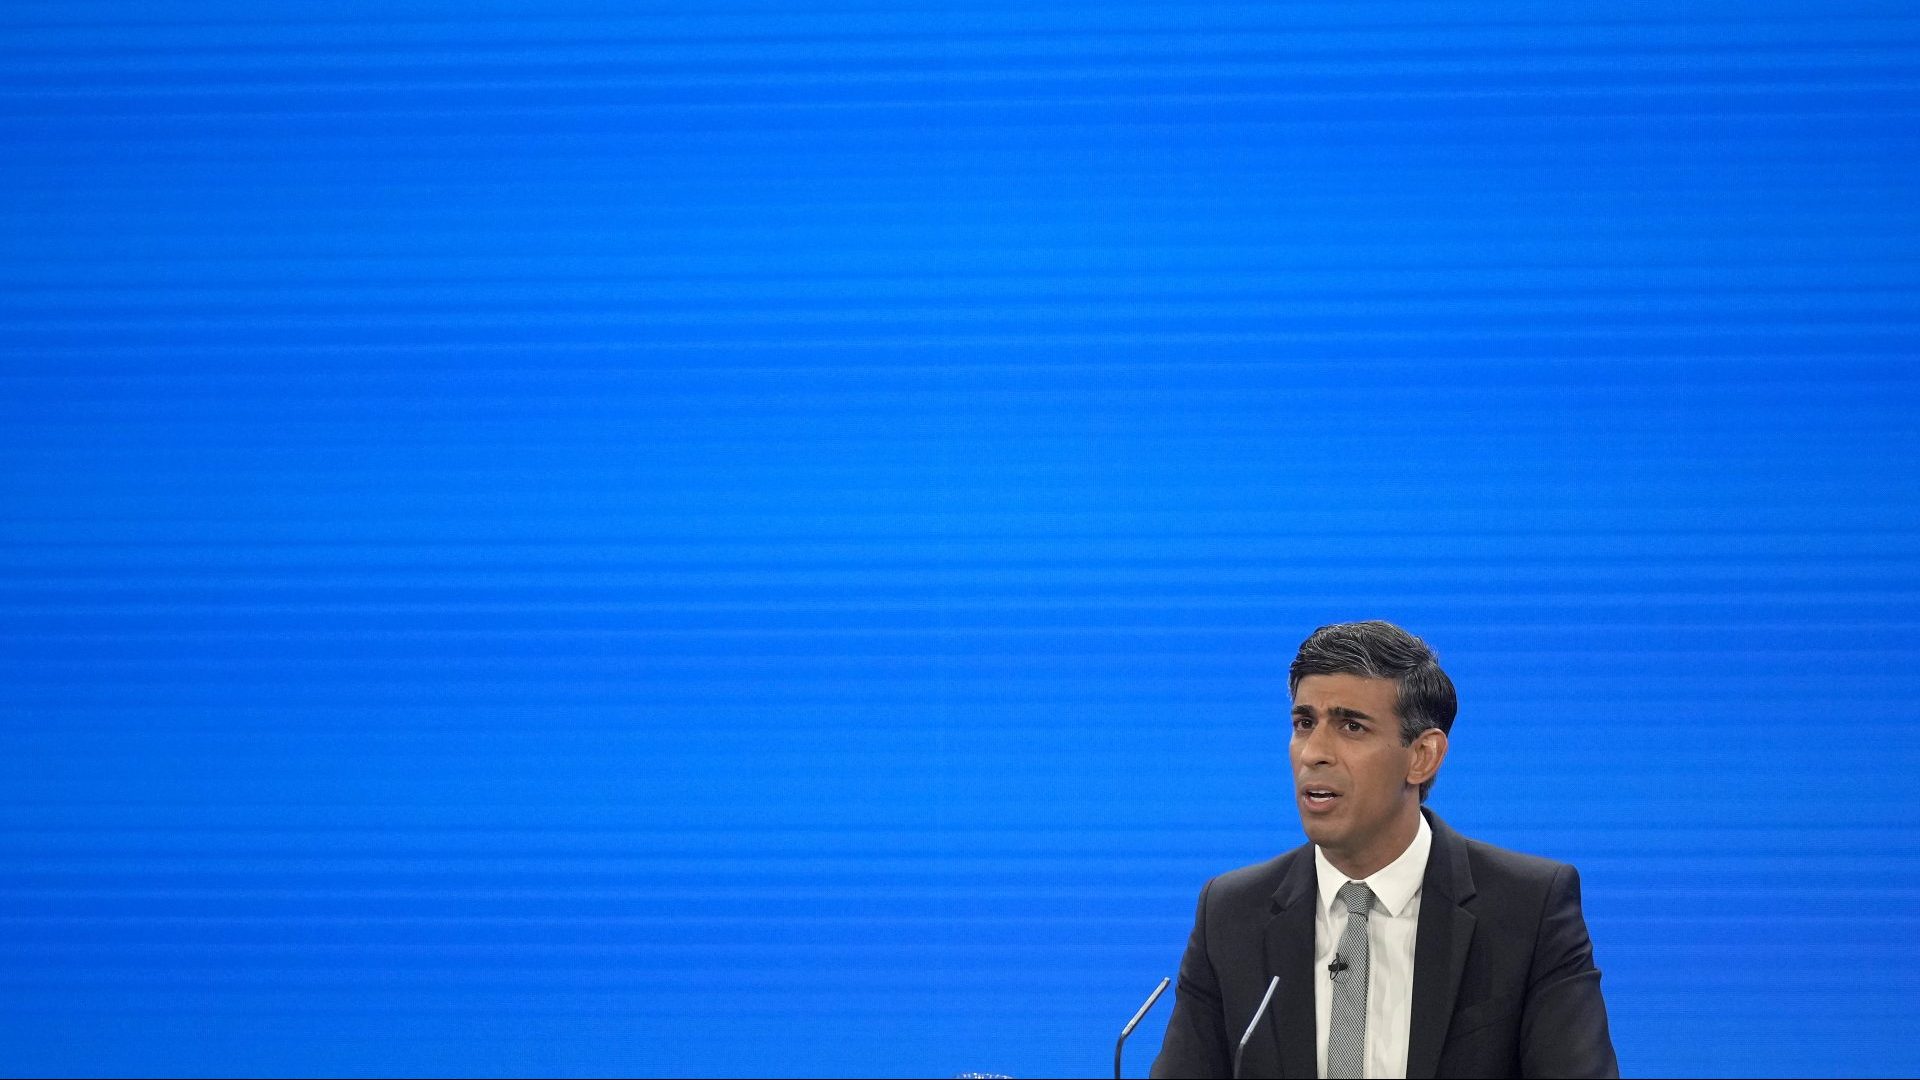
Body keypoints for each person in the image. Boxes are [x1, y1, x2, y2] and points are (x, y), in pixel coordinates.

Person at [1151, 621, 1617, 1079]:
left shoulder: (1529, 908)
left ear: (1422, 757)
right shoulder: (1231, 914)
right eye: (1304, 722)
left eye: (1351, 726)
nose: (1314, 751)